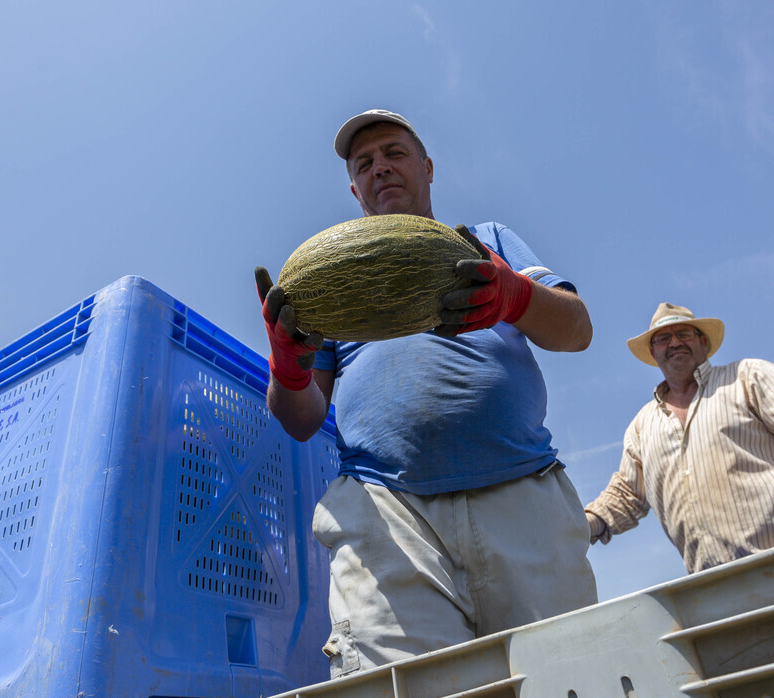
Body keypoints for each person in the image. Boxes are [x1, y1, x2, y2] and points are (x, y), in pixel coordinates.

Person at [255, 108, 598, 677]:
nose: (380, 168)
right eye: (364, 164)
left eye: (393, 153)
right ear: (354, 188)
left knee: (569, 680)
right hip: (387, 516)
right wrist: (289, 370)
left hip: (522, 495)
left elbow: (577, 330)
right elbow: (301, 418)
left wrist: (513, 296)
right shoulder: (329, 280)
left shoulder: (484, 240)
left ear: (428, 167)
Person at [584, 302, 774, 574]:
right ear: (653, 353)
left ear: (704, 342)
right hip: (720, 590)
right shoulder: (641, 426)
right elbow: (626, 494)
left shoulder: (748, 377)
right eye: (663, 338)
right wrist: (583, 527)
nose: (674, 342)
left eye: (683, 333)